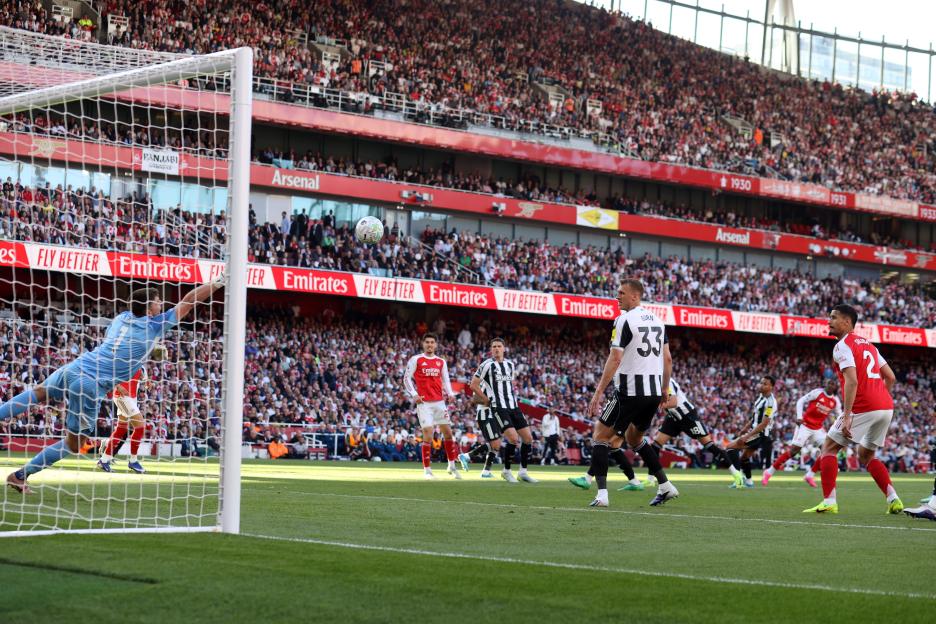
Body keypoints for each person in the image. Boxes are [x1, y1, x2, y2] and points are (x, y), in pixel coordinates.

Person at [5, 277, 224, 494]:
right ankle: (20, 476)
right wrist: (218, 282)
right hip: (90, 384)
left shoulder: (121, 318)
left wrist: (147, 350)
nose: (161, 305)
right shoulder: (156, 325)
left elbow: (120, 346)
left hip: (76, 366)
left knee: (37, 393)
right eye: (158, 301)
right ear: (149, 308)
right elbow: (188, 301)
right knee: (74, 444)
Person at [585, 279, 678, 507]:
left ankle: (602, 496)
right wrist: (665, 389)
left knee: (600, 436)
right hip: (653, 391)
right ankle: (666, 486)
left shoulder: (623, 320)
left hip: (629, 391)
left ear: (635, 296)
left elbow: (615, 357)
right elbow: (668, 359)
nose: (617, 297)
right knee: (634, 438)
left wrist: (598, 393)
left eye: (621, 293)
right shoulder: (658, 321)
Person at [804, 304, 903, 514]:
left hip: (864, 405)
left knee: (829, 447)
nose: (828, 321)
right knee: (866, 455)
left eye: (833, 317)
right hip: (886, 406)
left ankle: (829, 502)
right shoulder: (869, 345)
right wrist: (880, 398)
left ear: (847, 322)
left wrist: (848, 415)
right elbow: (891, 377)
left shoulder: (842, 345)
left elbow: (852, 381)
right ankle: (893, 499)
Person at [470, 338, 537, 483]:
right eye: (494, 346)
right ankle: (506, 471)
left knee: (528, 438)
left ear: (504, 349)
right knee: (513, 438)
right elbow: (473, 385)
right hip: (498, 407)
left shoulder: (510, 365)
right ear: (491, 349)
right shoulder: (486, 365)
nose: (496, 349)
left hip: (513, 406)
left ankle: (523, 472)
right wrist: (486, 399)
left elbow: (508, 386)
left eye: (499, 346)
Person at [650, 377, 736, 480]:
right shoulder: (653, 381)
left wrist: (654, 405)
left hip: (687, 416)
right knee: (655, 445)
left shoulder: (665, 380)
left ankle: (736, 474)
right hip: (673, 417)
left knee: (710, 446)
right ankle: (651, 479)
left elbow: (673, 402)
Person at [762, 379, 841, 488]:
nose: (830, 386)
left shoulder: (835, 401)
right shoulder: (817, 393)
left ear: (836, 387)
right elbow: (801, 401)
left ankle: (809, 475)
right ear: (826, 384)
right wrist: (799, 417)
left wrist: (839, 427)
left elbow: (840, 415)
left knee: (827, 451)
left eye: (833, 384)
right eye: (829, 383)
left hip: (818, 428)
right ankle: (769, 472)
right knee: (794, 451)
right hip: (805, 425)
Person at [402, 333, 461, 480]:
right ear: (423, 344)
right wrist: (414, 394)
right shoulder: (416, 359)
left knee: (448, 433)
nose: (429, 344)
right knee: (428, 433)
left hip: (440, 402)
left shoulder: (441, 361)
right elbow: (406, 378)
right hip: (424, 403)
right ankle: (427, 470)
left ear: (436, 345)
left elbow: (446, 380)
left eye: (432, 342)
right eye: (427, 342)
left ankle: (452, 465)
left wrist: (450, 393)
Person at [458, 384, 502, 478]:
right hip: (486, 415)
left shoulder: (496, 382)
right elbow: (475, 399)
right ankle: (467, 456)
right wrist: (491, 401)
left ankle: (486, 471)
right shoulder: (485, 382)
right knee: (496, 443)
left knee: (496, 444)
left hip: (493, 416)